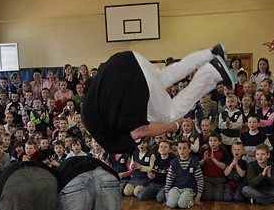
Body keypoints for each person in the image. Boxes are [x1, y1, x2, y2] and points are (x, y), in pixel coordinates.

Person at [83, 45, 233, 153]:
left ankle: (213, 71)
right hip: (128, 59)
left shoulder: (112, 145)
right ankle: (211, 53)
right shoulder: (87, 112)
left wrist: (173, 126)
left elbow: (142, 131)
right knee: (164, 76)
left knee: (170, 114)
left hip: (132, 87)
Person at [165, 139, 204, 209]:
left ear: (189, 150)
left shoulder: (194, 162)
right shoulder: (174, 162)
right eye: (180, 148)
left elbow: (200, 180)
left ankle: (190, 200)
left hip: (189, 189)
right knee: (171, 204)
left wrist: (198, 196)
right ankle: (179, 198)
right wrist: (166, 194)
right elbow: (169, 179)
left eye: (184, 148)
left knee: (182, 204)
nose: (182, 150)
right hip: (176, 188)